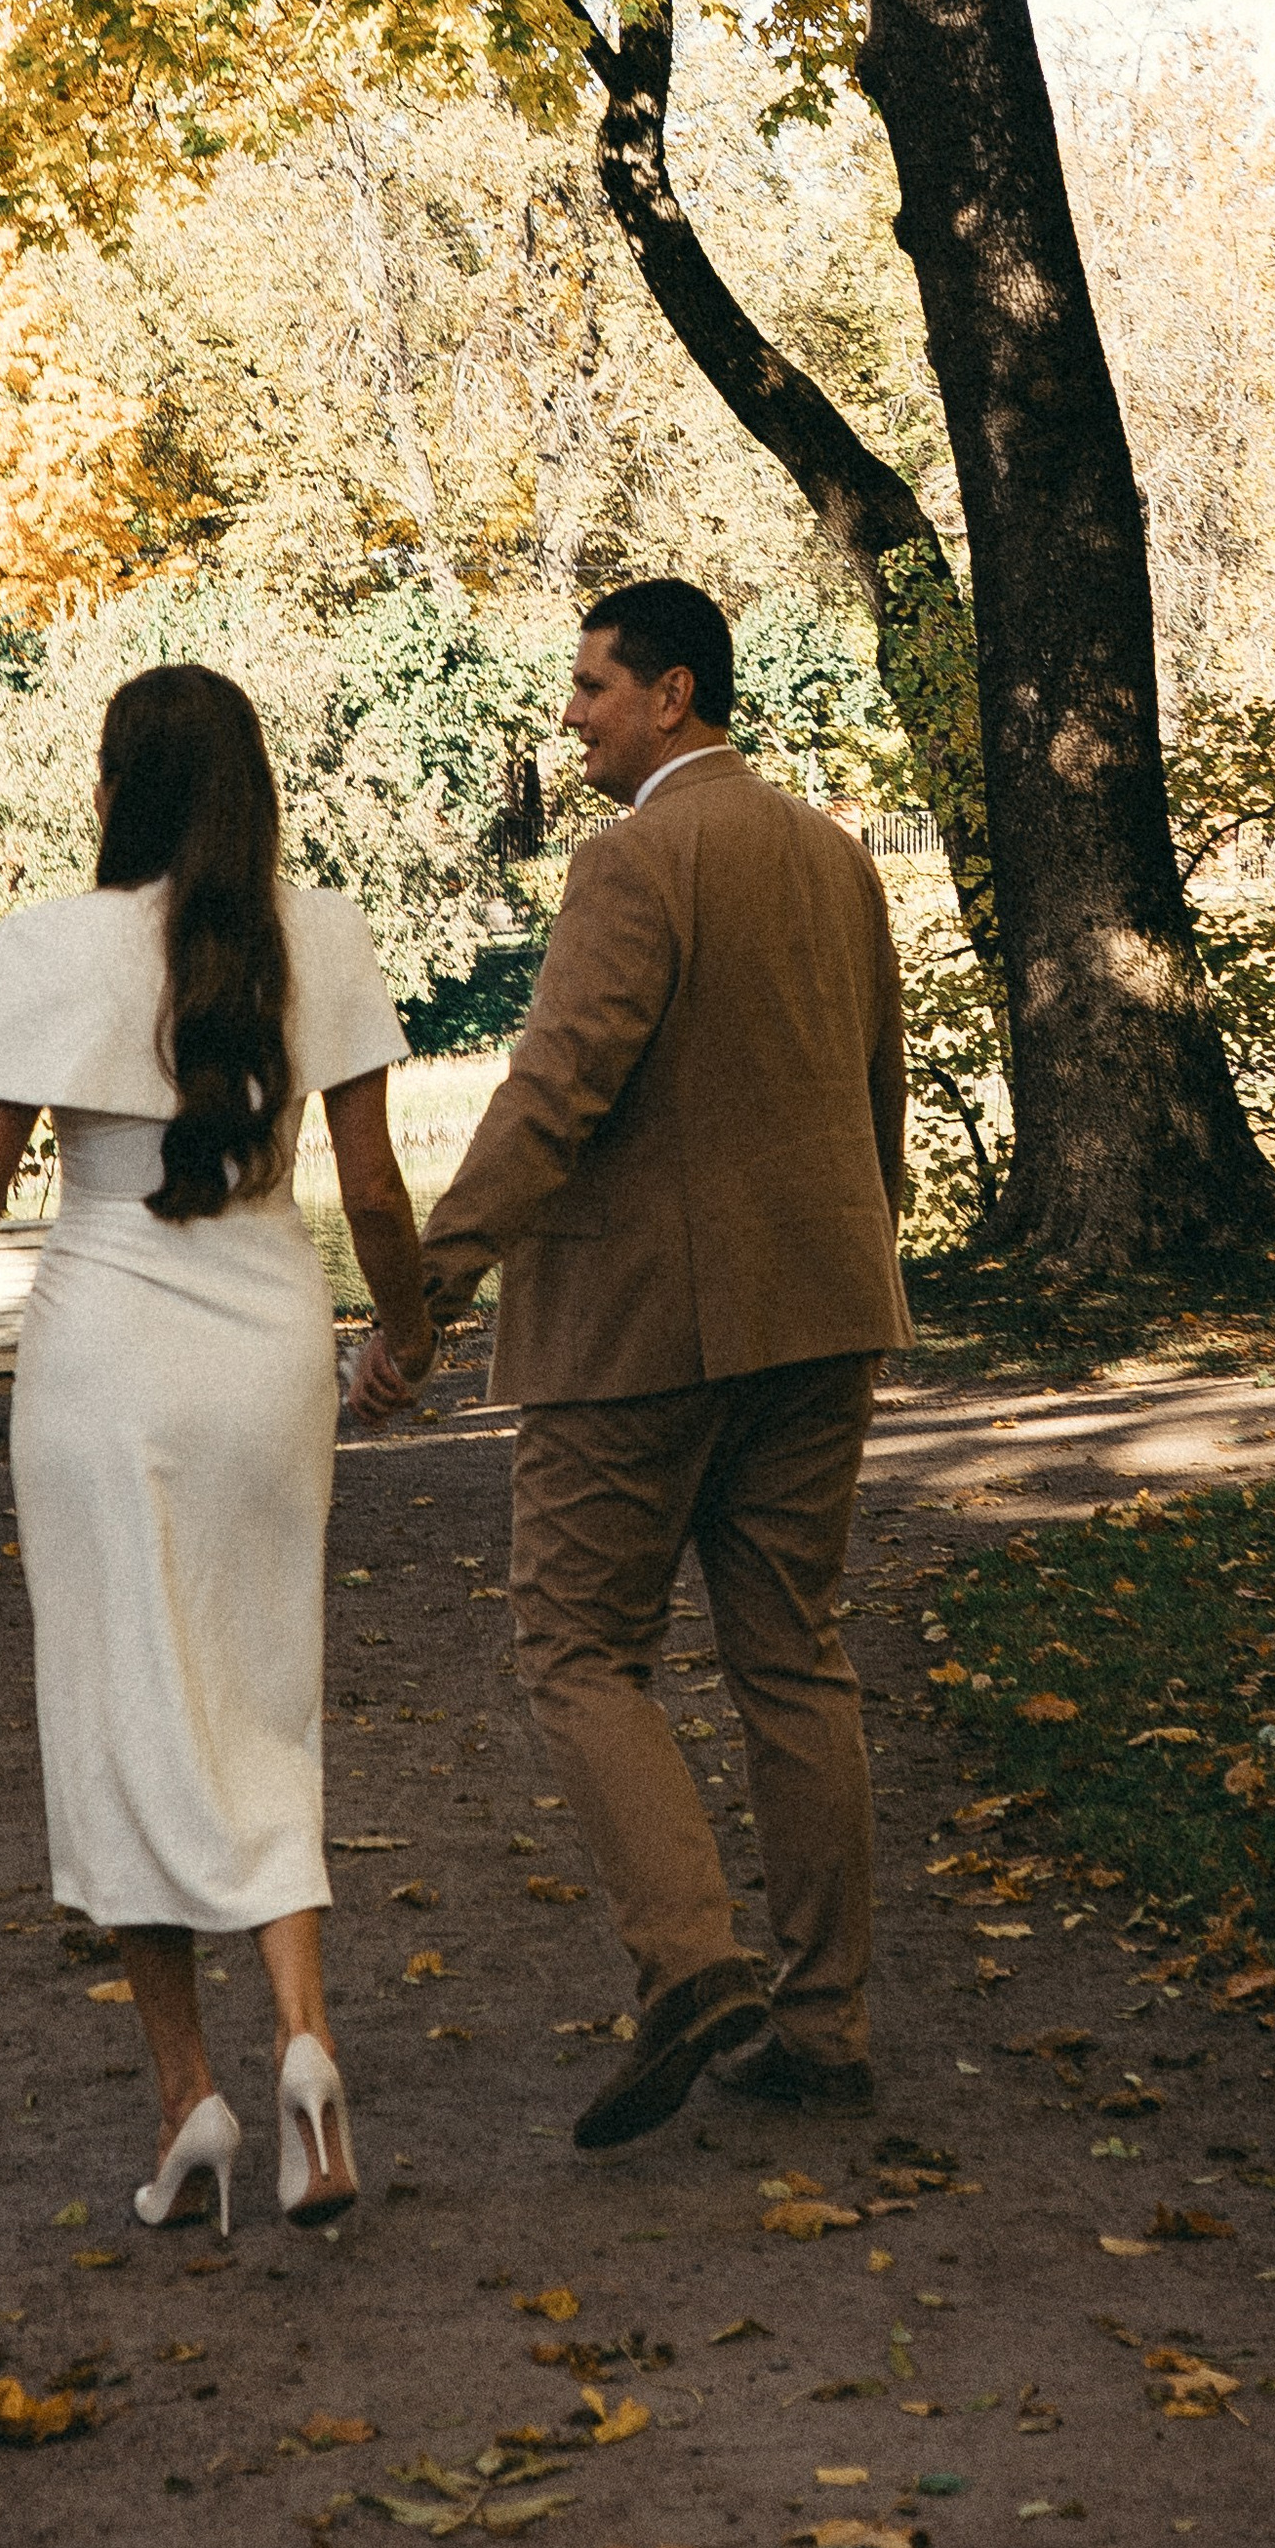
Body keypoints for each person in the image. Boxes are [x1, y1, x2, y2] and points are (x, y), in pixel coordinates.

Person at [0, 664, 429, 2236]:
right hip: (268, 1349)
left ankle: (187, 2097)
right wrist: (405, 1337)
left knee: (123, 1713)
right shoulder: (319, 934)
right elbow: (380, 1191)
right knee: (265, 1695)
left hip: (105, 1367)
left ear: (117, 785)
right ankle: (311, 2061)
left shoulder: (48, 945)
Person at [355, 580, 908, 2145]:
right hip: (824, 1313)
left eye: (594, 687)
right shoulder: (832, 855)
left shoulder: (633, 860)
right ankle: (826, 2023)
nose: (575, 715)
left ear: (674, 695)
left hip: (641, 1341)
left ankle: (691, 1962)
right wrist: (859, 1263)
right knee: (793, 1652)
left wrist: (429, 1293)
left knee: (579, 1647)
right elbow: (881, 1100)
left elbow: (553, 1094)